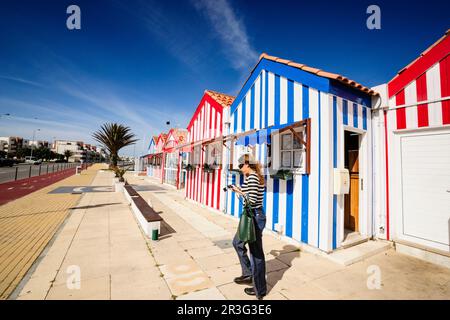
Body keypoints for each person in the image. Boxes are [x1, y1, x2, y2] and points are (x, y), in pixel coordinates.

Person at [231, 153, 267, 299]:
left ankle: (260, 289)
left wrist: (238, 191)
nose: (240, 168)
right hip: (251, 216)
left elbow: (251, 200)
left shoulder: (252, 178)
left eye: (241, 165)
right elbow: (250, 194)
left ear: (247, 165)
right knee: (237, 243)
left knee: (256, 253)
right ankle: (247, 274)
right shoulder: (252, 178)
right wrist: (239, 189)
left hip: (254, 217)